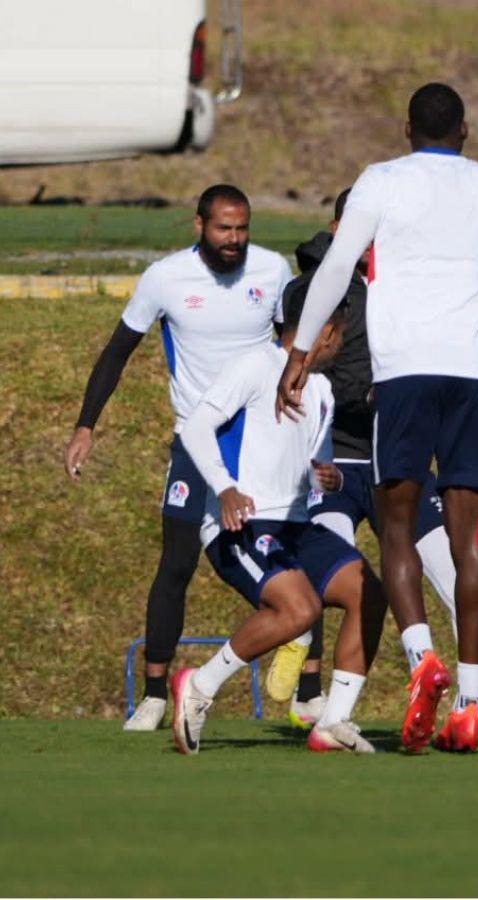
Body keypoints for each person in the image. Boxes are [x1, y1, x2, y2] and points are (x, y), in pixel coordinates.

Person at [278, 82, 478, 753]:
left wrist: (298, 352)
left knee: (397, 527)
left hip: (405, 374)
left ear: (407, 129)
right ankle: (469, 704)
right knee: (471, 545)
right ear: (465, 131)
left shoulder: (382, 180)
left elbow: (336, 269)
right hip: (476, 377)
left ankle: (422, 662)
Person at [62, 185, 294, 731]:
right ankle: (154, 696)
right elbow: (117, 351)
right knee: (177, 562)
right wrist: (86, 425)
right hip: (196, 439)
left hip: (262, 440)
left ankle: (308, 691)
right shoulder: (164, 278)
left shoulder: (273, 270)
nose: (234, 239)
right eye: (223, 229)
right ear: (199, 225)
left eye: (242, 228)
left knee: (289, 552)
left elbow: (296, 348)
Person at [174, 294, 388, 754]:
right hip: (242, 522)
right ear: (325, 331)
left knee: (368, 592)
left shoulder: (322, 390)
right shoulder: (255, 365)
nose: (342, 345)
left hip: (297, 525)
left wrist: (327, 477)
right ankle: (199, 686)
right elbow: (195, 428)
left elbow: (314, 465)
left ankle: (333, 722)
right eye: (342, 335)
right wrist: (225, 489)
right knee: (300, 610)